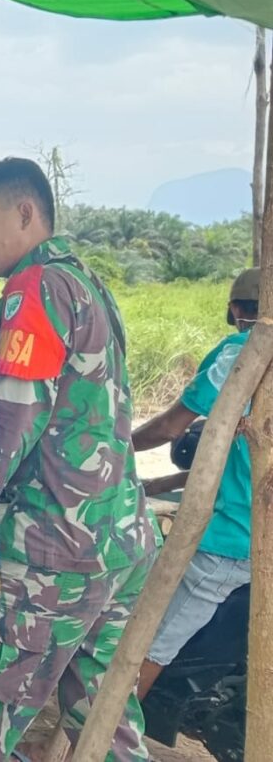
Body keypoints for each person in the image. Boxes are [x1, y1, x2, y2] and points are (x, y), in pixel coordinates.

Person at [0, 158, 156, 762]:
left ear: (24, 213)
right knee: (106, 719)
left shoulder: (37, 285)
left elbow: (11, 422)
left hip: (52, 551)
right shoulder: (86, 280)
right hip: (119, 540)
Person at [131, 267, 258, 698]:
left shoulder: (240, 353)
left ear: (236, 310)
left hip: (231, 540)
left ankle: (107, 729)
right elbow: (242, 467)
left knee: (148, 644)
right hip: (255, 536)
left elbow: (171, 426)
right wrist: (158, 483)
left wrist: (115, 448)